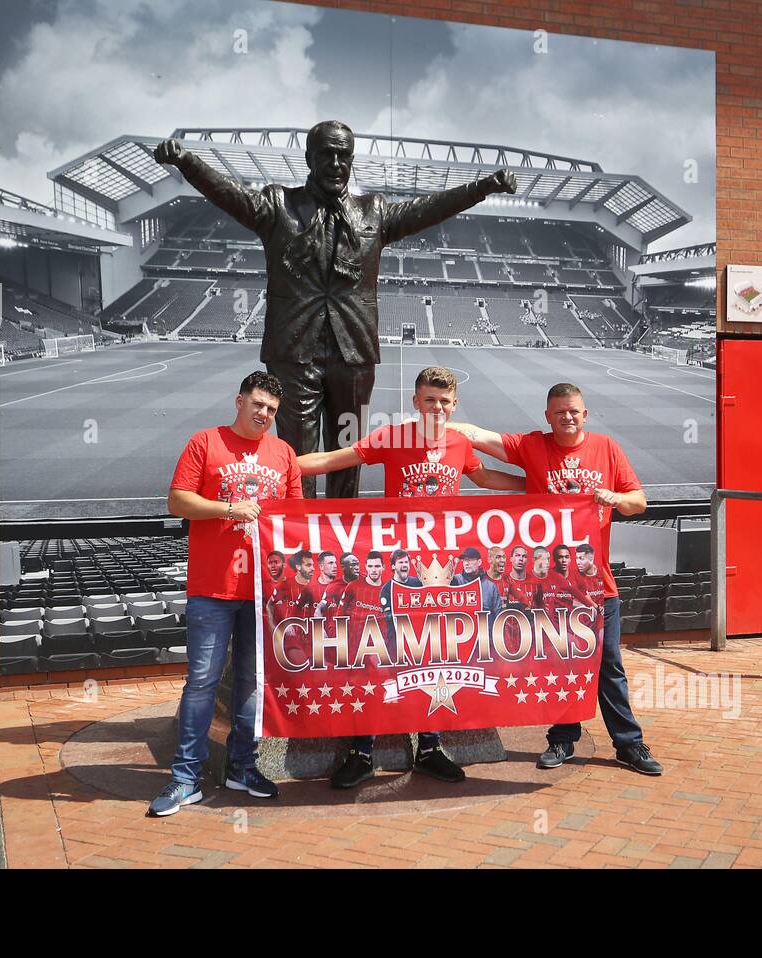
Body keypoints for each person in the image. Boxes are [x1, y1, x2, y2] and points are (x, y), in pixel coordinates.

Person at [154, 123, 517, 499]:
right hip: (294, 352)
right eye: (326, 153)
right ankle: (299, 533)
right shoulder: (279, 205)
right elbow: (229, 195)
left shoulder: (373, 211)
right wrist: (188, 163)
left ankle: (340, 534)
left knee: (349, 449)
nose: (335, 162)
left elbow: (429, 209)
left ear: (352, 160)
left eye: (343, 154)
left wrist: (482, 188)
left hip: (353, 352)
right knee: (297, 453)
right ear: (309, 158)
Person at [298, 365, 523, 788]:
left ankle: (430, 748)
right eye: (429, 400)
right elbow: (334, 459)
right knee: (379, 657)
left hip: (442, 574)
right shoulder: (392, 437)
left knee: (436, 655)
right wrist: (281, 469)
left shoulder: (459, 442)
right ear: (415, 402)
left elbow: (485, 476)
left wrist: (536, 485)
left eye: (444, 401)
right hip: (396, 570)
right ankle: (362, 751)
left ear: (454, 405)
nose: (437, 407)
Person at [449, 382, 663, 776]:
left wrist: (613, 498)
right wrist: (433, 419)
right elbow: (477, 436)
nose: (567, 416)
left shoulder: (607, 449)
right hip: (550, 588)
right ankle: (563, 738)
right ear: (548, 416)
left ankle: (629, 744)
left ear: (585, 414)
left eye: (574, 411)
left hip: (598, 586)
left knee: (608, 664)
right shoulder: (532, 446)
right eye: (559, 411)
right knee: (560, 664)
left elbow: (639, 502)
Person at [148, 371, 303, 817]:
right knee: (201, 683)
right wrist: (229, 508)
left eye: (272, 410)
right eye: (257, 405)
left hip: (263, 592)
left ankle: (242, 765)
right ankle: (185, 778)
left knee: (253, 684)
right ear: (239, 401)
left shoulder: (283, 453)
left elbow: (295, 515)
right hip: (213, 587)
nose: (264, 415)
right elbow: (178, 501)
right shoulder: (206, 442)